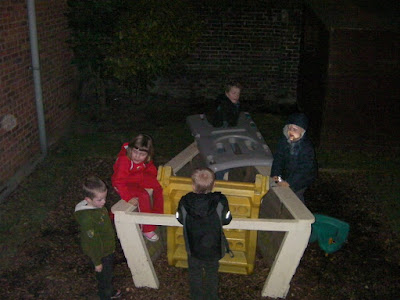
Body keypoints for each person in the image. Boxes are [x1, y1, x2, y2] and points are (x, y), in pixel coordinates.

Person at [176, 168, 232, 300]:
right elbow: (226, 219)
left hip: (193, 246)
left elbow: (180, 218)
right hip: (213, 247)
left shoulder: (185, 201)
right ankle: (211, 297)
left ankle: (196, 297)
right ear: (214, 185)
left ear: (193, 185)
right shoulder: (220, 200)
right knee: (212, 272)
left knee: (194, 272)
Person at [74, 176, 122, 300]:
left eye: (104, 198)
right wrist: (97, 262)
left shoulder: (97, 207)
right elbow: (91, 242)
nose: (104, 202)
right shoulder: (87, 219)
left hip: (107, 249)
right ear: (87, 199)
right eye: (100, 200)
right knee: (105, 278)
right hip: (101, 254)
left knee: (108, 274)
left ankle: (110, 291)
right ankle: (105, 295)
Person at [111, 134, 163, 242]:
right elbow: (118, 181)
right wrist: (128, 197)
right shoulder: (124, 160)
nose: (137, 156)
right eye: (135, 152)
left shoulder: (146, 159)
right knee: (143, 196)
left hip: (137, 177)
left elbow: (150, 168)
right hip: (124, 182)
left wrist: (156, 177)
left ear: (148, 154)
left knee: (159, 187)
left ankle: (157, 215)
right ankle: (146, 229)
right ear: (130, 149)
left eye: (142, 154)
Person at [270, 113, 317, 203]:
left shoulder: (306, 148)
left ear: (302, 132)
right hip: (287, 172)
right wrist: (275, 174)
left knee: (296, 196)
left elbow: (304, 169)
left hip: (302, 179)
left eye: (295, 130)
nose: (291, 131)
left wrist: (290, 182)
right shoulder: (283, 142)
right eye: (289, 128)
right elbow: (278, 159)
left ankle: (301, 214)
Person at [207, 81, 243, 180]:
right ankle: (218, 178)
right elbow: (223, 121)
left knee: (231, 154)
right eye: (233, 93)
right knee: (225, 156)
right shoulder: (225, 104)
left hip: (226, 131)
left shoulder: (233, 103)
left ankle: (221, 175)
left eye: (238, 93)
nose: (236, 96)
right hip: (222, 132)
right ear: (227, 93)